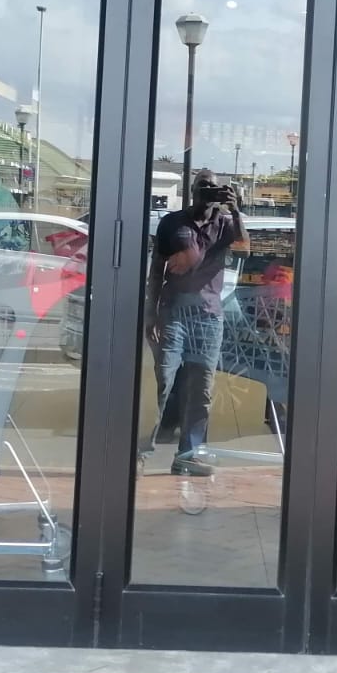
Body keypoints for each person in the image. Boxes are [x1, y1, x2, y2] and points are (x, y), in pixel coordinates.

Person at [145, 169, 248, 476]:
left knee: (200, 389)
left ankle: (188, 454)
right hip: (174, 311)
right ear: (192, 190)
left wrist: (236, 209)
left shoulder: (226, 225)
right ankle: (140, 452)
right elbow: (156, 268)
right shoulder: (172, 222)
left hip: (208, 316)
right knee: (162, 382)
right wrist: (150, 312)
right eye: (203, 187)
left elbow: (244, 246)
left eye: (214, 189)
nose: (209, 193)